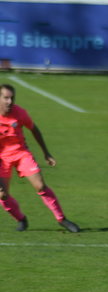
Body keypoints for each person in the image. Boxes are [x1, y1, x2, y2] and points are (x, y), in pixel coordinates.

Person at [0, 84, 80, 233]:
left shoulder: (20, 113)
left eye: (12, 98)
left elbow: (34, 129)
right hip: (2, 159)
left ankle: (62, 219)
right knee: (2, 195)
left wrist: (46, 153)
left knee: (41, 186)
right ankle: (21, 219)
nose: (9, 102)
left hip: (21, 154)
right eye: (6, 98)